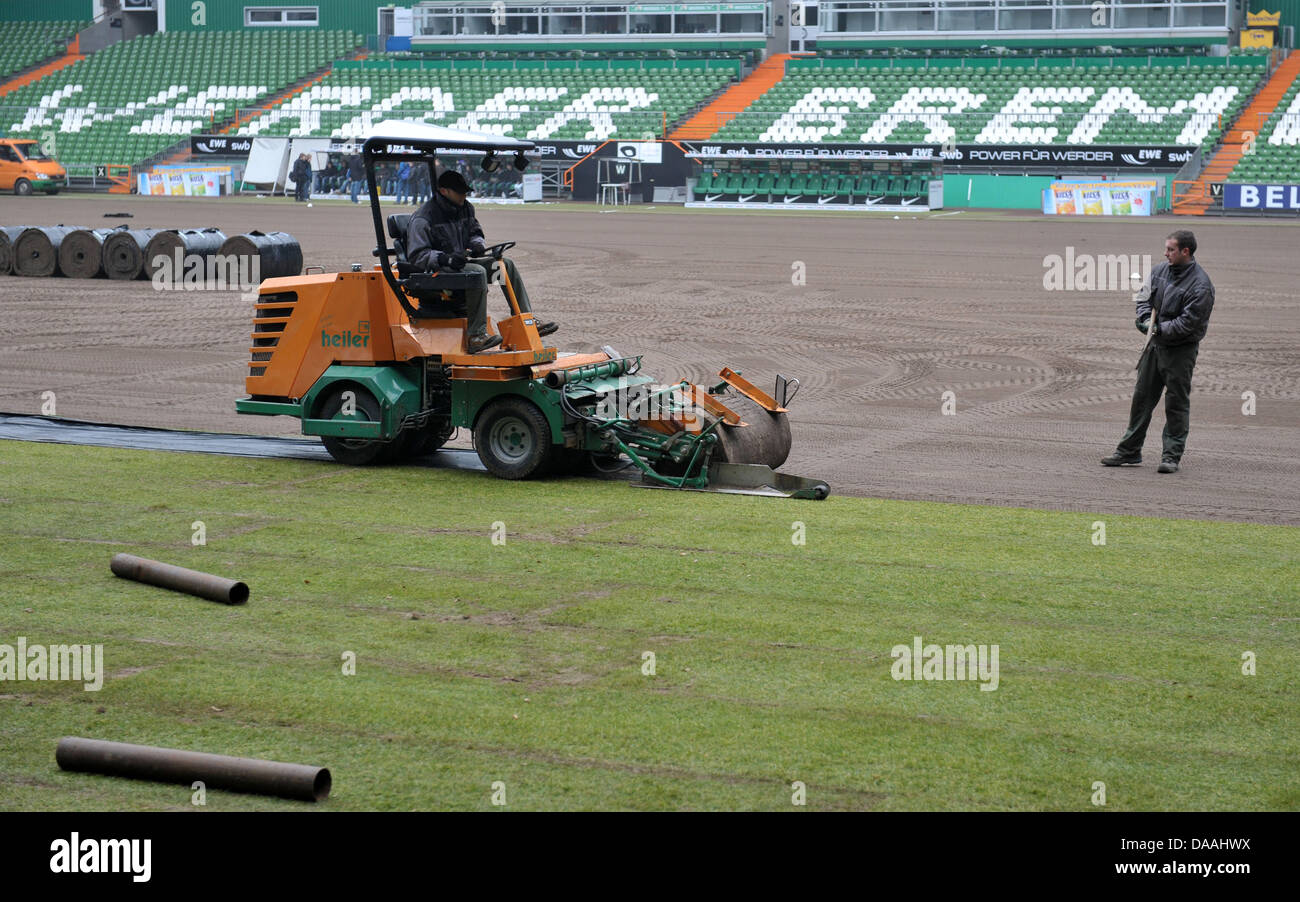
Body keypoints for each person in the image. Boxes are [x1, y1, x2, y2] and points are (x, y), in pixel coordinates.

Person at [1101, 230, 1215, 474]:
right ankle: (1129, 452)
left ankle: (1171, 456)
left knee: (1176, 404)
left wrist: (1158, 329)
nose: (1166, 253)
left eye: (1171, 249)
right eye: (1166, 249)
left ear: (1186, 251)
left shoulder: (1201, 285)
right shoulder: (1159, 271)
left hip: (1180, 352)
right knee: (1141, 399)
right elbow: (1143, 298)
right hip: (1154, 347)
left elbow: (1189, 324)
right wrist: (1144, 320)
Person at [406, 170, 558, 353]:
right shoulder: (423, 218)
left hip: (460, 266)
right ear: (444, 191)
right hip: (436, 273)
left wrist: (477, 245)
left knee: (504, 265)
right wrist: (445, 258)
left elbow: (475, 233)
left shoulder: (466, 208)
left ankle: (525, 319)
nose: (464, 195)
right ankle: (476, 336)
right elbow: (417, 256)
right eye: (459, 192)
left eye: (465, 191)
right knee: (477, 272)